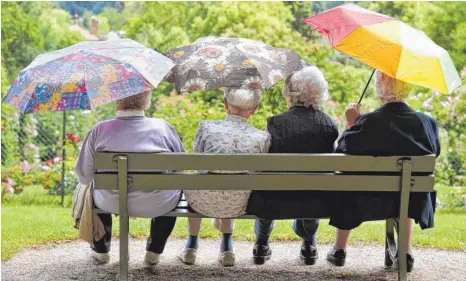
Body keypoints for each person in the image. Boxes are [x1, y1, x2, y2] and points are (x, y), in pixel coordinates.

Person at [326, 70, 441, 272]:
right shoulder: (427, 123)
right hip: (409, 198)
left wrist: (351, 123)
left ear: (379, 90)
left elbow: (342, 153)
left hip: (366, 197)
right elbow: (435, 153)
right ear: (407, 87)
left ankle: (339, 249)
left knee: (349, 181)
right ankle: (405, 252)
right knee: (407, 184)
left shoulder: (368, 122)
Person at [75, 91, 185, 264]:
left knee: (87, 187)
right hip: (157, 203)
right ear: (146, 101)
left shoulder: (99, 129)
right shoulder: (162, 127)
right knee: (172, 186)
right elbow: (181, 167)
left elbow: (84, 176)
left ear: (117, 101)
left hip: (110, 201)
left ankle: (101, 248)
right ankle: (154, 250)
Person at [251, 66, 339, 265]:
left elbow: (263, 161)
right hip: (316, 201)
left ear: (290, 93)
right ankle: (309, 244)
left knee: (265, 185)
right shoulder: (329, 125)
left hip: (276, 200)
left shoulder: (275, 123)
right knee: (313, 187)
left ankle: (261, 242)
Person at [180, 88, 271, 267]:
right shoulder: (261, 137)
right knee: (234, 186)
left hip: (202, 201)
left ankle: (191, 246)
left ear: (226, 105)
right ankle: (227, 246)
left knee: (201, 181)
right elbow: (258, 173)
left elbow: (198, 161)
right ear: (254, 109)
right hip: (241, 204)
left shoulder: (206, 127)